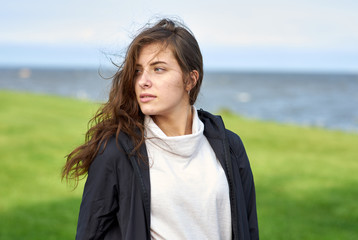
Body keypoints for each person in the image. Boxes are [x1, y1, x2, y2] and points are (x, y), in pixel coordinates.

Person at [62, 18, 259, 240]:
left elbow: (249, 228)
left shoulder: (229, 146)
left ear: (190, 80)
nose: (143, 81)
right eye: (137, 71)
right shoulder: (116, 151)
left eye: (158, 69)